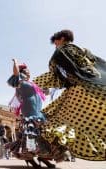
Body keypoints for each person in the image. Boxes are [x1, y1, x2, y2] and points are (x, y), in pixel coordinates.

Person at [34, 29, 106, 161]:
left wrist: (34, 83)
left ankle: (57, 150)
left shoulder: (62, 52)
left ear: (61, 39)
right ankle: (60, 149)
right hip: (92, 89)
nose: (55, 44)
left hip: (78, 91)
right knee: (81, 122)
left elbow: (56, 77)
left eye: (55, 41)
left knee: (54, 119)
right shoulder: (82, 51)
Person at [7, 59, 59, 169]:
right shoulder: (20, 82)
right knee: (30, 138)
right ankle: (31, 160)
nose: (29, 72)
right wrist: (15, 63)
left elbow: (47, 91)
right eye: (26, 71)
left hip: (39, 113)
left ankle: (43, 158)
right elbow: (16, 73)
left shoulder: (33, 84)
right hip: (29, 112)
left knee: (43, 138)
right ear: (22, 73)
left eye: (29, 71)